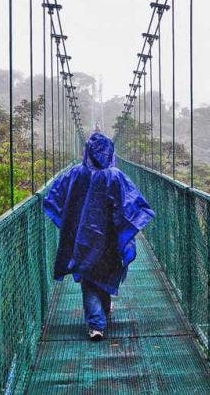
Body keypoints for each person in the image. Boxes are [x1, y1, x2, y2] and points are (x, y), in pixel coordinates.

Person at [43, 132, 155, 341]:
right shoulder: (116, 175)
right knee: (104, 270)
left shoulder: (75, 174)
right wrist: (125, 227)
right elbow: (133, 205)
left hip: (82, 237)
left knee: (89, 276)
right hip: (110, 238)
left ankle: (97, 323)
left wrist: (69, 221)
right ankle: (98, 320)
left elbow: (53, 199)